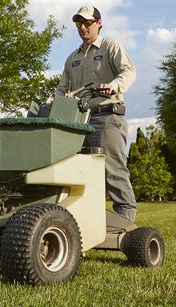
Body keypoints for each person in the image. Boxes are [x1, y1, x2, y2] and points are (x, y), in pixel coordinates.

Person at [55, 5, 138, 222]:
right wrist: (54, 107)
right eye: (79, 23)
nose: (83, 27)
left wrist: (114, 86)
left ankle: (125, 223)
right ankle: (84, 222)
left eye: (88, 22)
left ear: (99, 23)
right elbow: (62, 89)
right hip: (79, 121)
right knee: (77, 171)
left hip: (107, 117)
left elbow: (128, 71)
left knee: (113, 170)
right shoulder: (72, 57)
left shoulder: (110, 47)